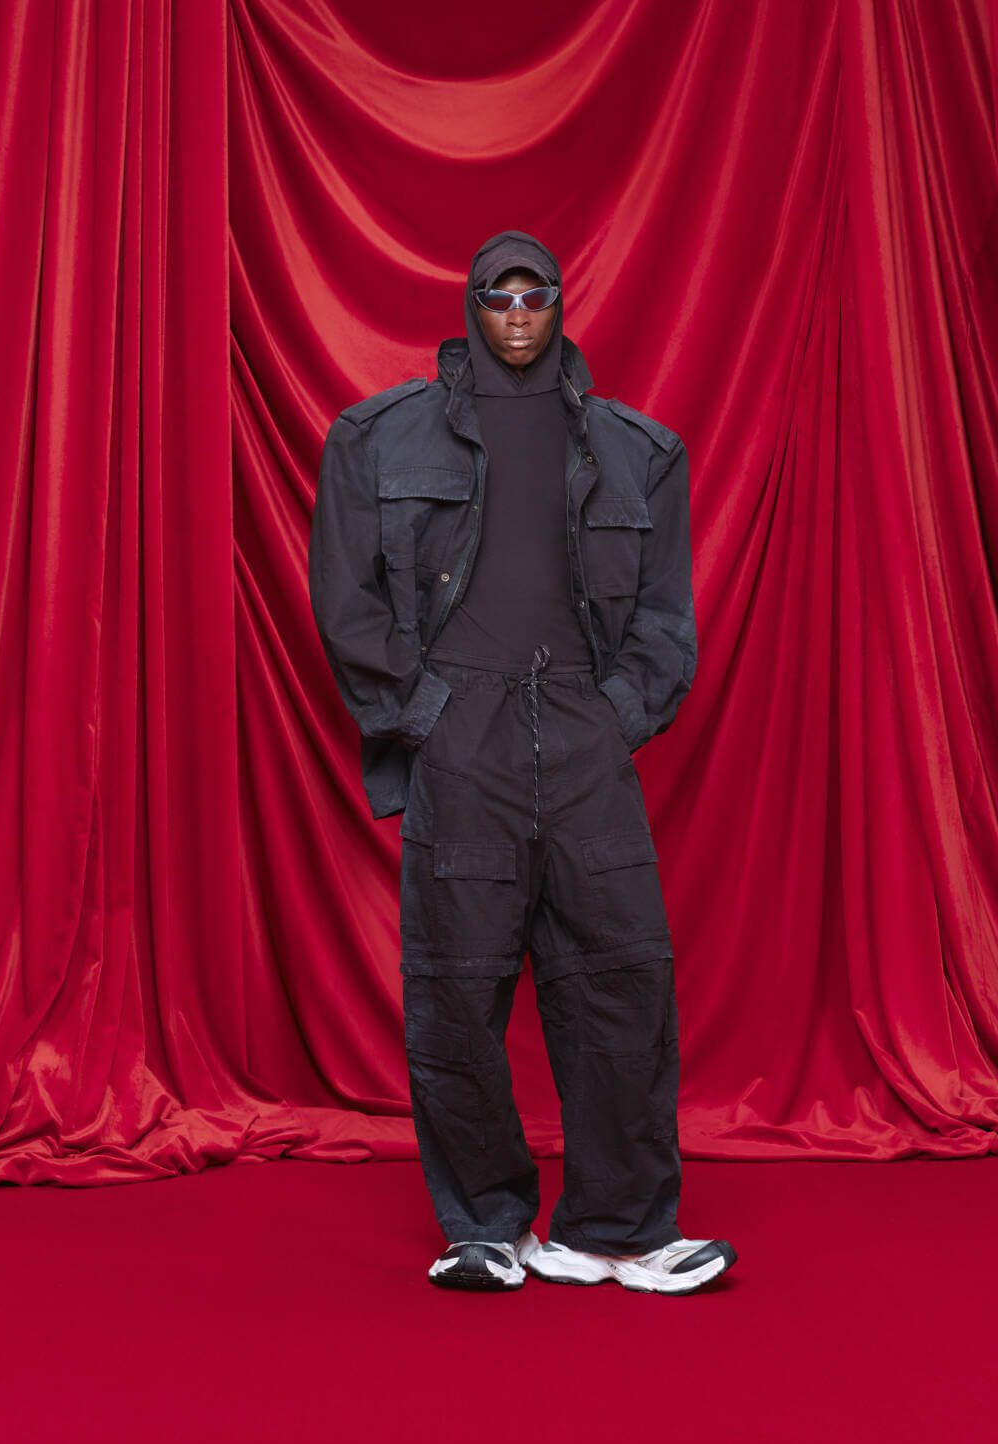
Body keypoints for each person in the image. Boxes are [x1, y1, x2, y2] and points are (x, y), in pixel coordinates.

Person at [308, 229, 736, 1295]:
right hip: (463, 736)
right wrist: (425, 715)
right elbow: (346, 602)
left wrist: (612, 715)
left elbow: (666, 623)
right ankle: (486, 1228)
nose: (515, 313)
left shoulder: (641, 451)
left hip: (584, 733)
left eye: (532, 295)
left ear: (557, 304)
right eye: (496, 296)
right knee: (456, 988)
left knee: (622, 981)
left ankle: (619, 1230)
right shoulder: (378, 439)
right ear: (471, 305)